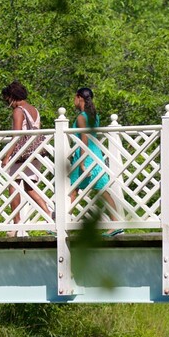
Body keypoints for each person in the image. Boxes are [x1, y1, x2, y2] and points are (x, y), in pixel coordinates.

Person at [0, 81, 52, 236]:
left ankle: (16, 223)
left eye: (7, 99)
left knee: (13, 185)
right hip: (35, 152)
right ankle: (49, 214)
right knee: (29, 187)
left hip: (22, 153)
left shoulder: (18, 111)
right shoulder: (34, 110)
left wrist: (6, 156)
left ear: (12, 97)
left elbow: (16, 135)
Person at [69, 87, 122, 236]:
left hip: (85, 157)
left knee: (74, 191)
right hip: (96, 155)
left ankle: (61, 224)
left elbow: (83, 140)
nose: (73, 100)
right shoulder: (94, 116)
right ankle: (115, 223)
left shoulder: (81, 117)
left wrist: (81, 162)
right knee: (101, 191)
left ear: (79, 98)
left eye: (74, 97)